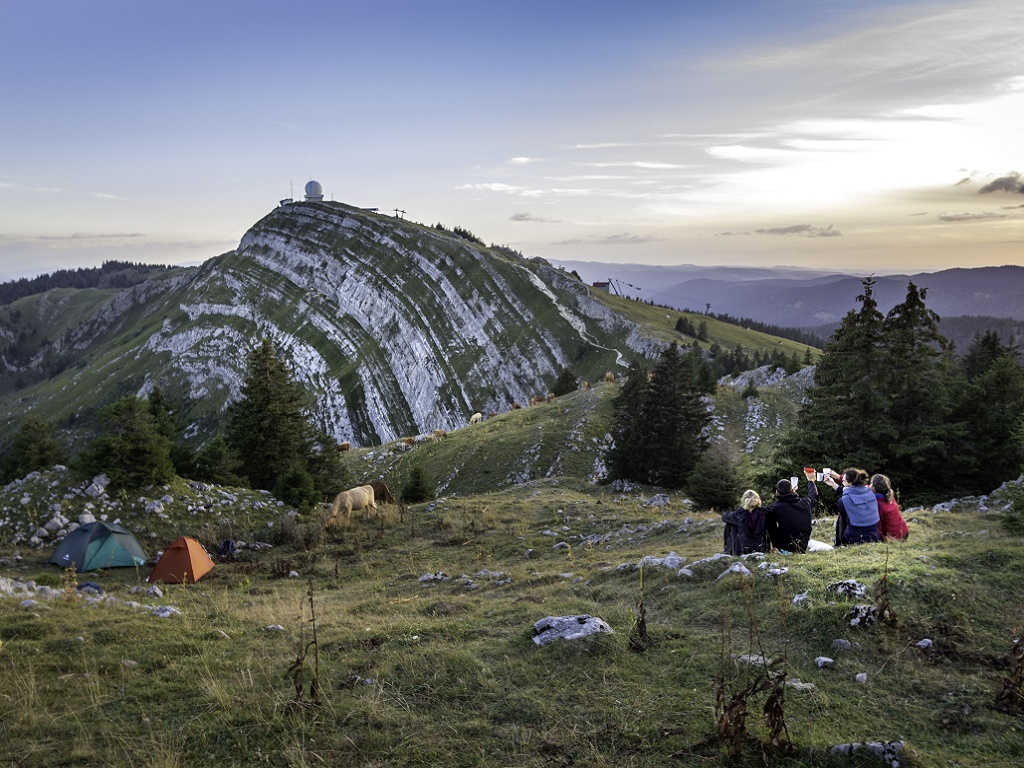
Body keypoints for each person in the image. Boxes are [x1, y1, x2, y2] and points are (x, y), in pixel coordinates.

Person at [765, 469, 817, 553]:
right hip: (802, 546)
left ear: (777, 492)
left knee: (769, 522)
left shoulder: (775, 507)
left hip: (784, 547)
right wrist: (810, 481)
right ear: (792, 490)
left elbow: (770, 526)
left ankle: (774, 548)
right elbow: (814, 496)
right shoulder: (805, 503)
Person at [824, 468, 881, 545]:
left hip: (854, 538)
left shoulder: (843, 501)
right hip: (874, 536)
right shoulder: (869, 491)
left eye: (843, 480)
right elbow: (851, 492)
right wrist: (833, 484)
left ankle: (839, 543)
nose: (842, 481)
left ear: (850, 483)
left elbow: (848, 494)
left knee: (842, 516)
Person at [722, 490, 769, 556]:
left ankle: (729, 549)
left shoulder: (739, 514)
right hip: (761, 547)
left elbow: (724, 517)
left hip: (743, 548)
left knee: (730, 524)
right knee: (732, 523)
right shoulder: (764, 512)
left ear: (744, 500)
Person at [871, 473, 909, 541]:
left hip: (894, 537)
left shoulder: (878, 505)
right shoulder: (889, 496)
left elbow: (878, 526)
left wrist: (879, 540)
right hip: (904, 532)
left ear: (873, 487)